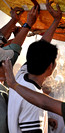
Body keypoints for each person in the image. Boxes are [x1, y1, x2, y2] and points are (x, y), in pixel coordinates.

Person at [7, 0, 62, 132]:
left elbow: (41, 46)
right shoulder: (34, 99)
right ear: (50, 67)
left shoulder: (21, 76)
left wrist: (56, 21)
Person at [0, 5, 37, 133]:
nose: (8, 65)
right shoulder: (1, 94)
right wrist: (27, 25)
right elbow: (14, 48)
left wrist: (14, 21)